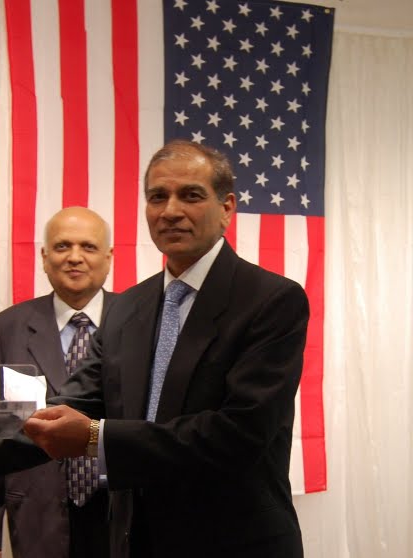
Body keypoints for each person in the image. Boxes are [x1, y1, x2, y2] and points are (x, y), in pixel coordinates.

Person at [21, 140, 309, 557]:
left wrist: (96, 437)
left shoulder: (271, 300)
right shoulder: (126, 308)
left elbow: (239, 434)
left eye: (190, 195)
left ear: (227, 207)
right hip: (136, 542)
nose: (170, 210)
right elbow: (69, 405)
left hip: (234, 544)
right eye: (158, 197)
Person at [0, 207, 114, 558]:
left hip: (119, 513)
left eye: (88, 247)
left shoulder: (138, 321)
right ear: (44, 257)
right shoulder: (9, 327)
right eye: (62, 246)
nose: (74, 257)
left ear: (108, 257)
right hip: (36, 515)